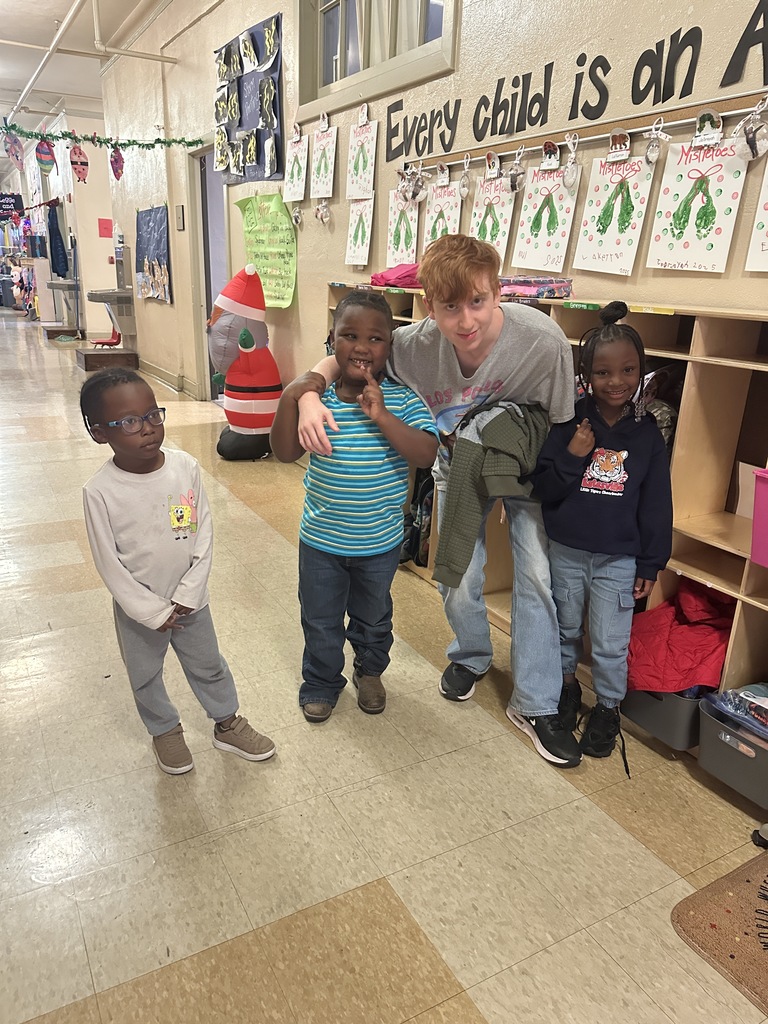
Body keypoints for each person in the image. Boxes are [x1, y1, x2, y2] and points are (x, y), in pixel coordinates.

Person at [296, 235, 582, 768]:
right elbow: (352, 354)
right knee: (455, 572)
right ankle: (471, 655)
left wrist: (544, 489)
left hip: (525, 466)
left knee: (537, 573)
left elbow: (563, 422)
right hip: (456, 461)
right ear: (430, 306)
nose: (466, 320)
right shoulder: (412, 346)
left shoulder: (543, 340)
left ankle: (538, 703)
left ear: (498, 292)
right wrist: (310, 390)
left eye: (478, 301)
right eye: (450, 307)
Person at [80, 368, 276, 774]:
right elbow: (108, 563)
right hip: (139, 611)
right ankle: (165, 730)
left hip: (190, 603)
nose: (148, 429)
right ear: (100, 432)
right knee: (145, 674)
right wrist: (149, 611)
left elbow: (199, 530)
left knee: (209, 664)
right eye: (130, 422)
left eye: (153, 415)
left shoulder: (184, 468)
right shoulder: (99, 492)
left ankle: (227, 722)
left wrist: (189, 593)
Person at [270, 290, 439, 723]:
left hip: (379, 544)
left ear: (390, 345)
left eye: (376, 338)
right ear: (332, 339)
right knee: (321, 620)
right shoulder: (318, 400)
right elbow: (285, 452)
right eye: (349, 335)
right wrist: (294, 395)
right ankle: (322, 682)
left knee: (374, 617)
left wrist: (382, 416)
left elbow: (425, 455)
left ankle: (370, 672)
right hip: (321, 541)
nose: (362, 347)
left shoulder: (401, 400)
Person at [532, 301, 673, 768]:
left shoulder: (647, 434)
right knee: (566, 630)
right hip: (567, 551)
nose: (617, 381)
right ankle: (568, 689)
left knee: (611, 644)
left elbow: (656, 504)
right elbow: (545, 488)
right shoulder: (568, 421)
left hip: (619, 560)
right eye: (604, 372)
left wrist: (651, 563)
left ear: (641, 371)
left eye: (628, 370)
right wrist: (574, 454)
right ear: (586, 375)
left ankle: (608, 708)